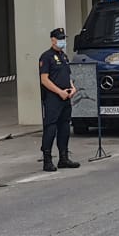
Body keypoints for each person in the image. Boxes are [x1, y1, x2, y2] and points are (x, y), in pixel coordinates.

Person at [37, 27, 80, 172]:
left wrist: (72, 88)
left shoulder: (64, 56)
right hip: (53, 98)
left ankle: (64, 157)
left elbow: (67, 76)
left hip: (66, 97)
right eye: (60, 38)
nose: (62, 41)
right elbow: (44, 79)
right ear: (53, 40)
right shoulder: (46, 57)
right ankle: (47, 160)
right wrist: (59, 92)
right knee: (51, 128)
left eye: (64, 38)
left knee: (65, 127)